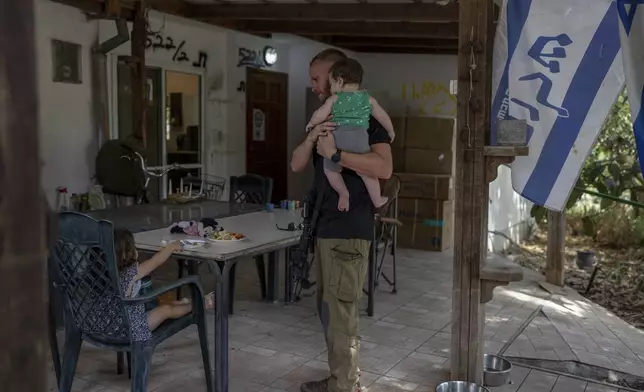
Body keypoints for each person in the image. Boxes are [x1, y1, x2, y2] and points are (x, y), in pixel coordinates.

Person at [291, 48, 393, 392]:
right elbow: (297, 164)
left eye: (319, 80)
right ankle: (342, 378)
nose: (316, 87)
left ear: (337, 75)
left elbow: (383, 168)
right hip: (326, 226)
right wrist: (312, 137)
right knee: (330, 312)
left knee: (341, 314)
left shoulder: (368, 116)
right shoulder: (327, 114)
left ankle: (344, 387)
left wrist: (336, 154)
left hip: (349, 229)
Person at [305, 57, 395, 212]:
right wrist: (391, 130)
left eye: (332, 83)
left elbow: (319, 115)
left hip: (338, 139)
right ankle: (377, 199)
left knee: (330, 171)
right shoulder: (368, 99)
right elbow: (382, 116)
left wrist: (311, 124)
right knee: (367, 174)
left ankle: (343, 193)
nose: (331, 87)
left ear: (339, 82)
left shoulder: (335, 99)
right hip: (359, 141)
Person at [113, 229, 214, 341]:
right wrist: (171, 247)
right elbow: (156, 261)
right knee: (165, 310)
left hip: (107, 326)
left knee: (162, 306)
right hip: (132, 328)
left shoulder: (101, 273)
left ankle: (184, 302)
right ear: (127, 254)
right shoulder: (130, 273)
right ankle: (199, 304)